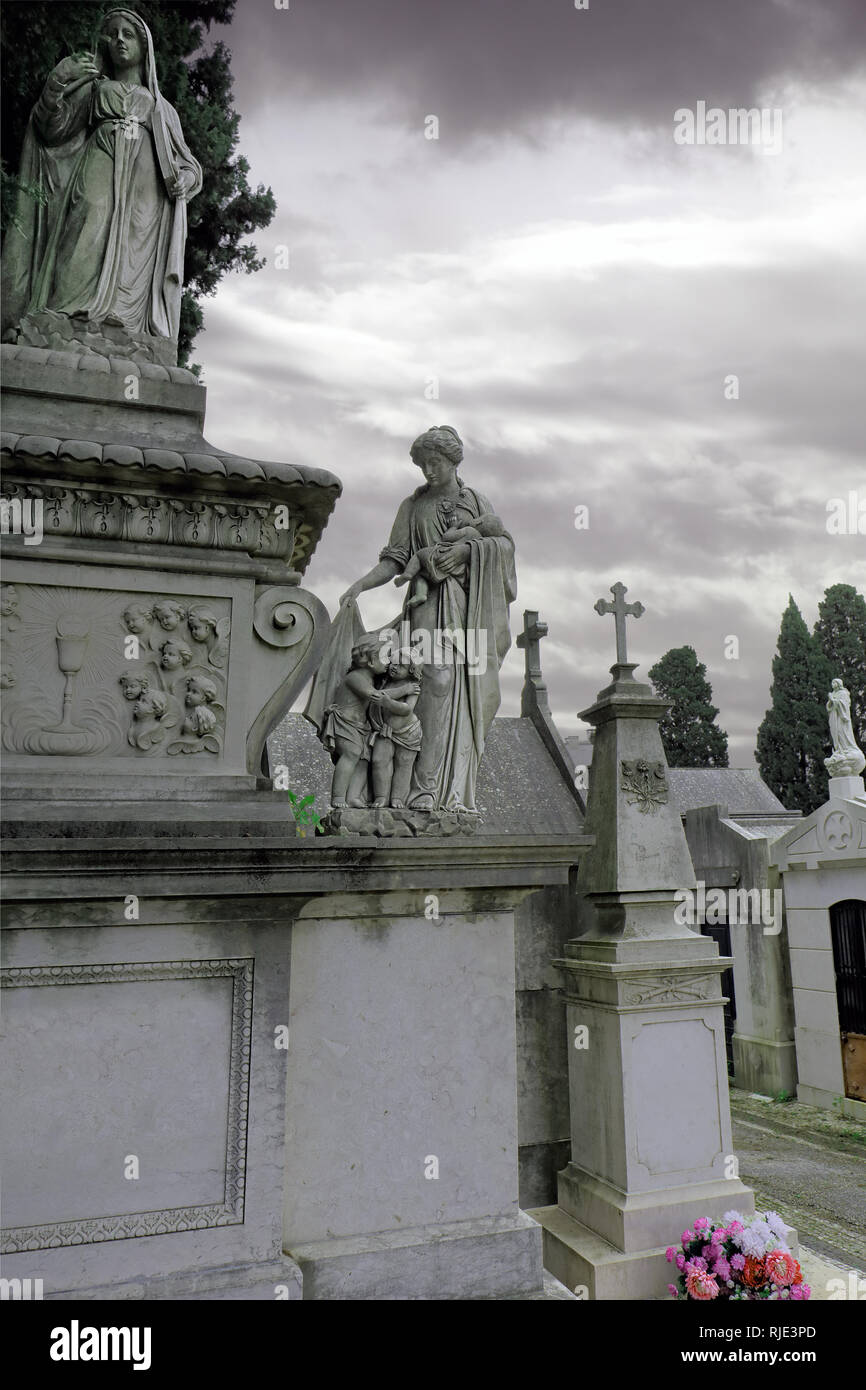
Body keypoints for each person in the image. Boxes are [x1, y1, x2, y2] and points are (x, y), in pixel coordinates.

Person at [339, 426, 515, 812]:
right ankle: (414, 790)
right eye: (423, 465)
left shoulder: (476, 501)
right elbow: (394, 561)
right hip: (426, 605)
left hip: (468, 611)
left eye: (435, 463)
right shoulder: (412, 506)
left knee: (461, 691)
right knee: (433, 679)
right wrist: (359, 586)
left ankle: (436, 792)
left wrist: (469, 553)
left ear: (454, 461)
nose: (429, 472)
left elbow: (503, 544)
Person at [2, 8, 202, 343]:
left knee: (133, 247)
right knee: (88, 216)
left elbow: (188, 164)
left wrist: (186, 180)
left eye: (128, 34)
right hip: (100, 162)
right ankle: (63, 316)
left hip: (145, 187)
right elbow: (51, 131)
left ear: (144, 45)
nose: (119, 40)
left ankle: (124, 328)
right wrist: (57, 83)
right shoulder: (95, 89)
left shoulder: (160, 107)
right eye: (113, 34)